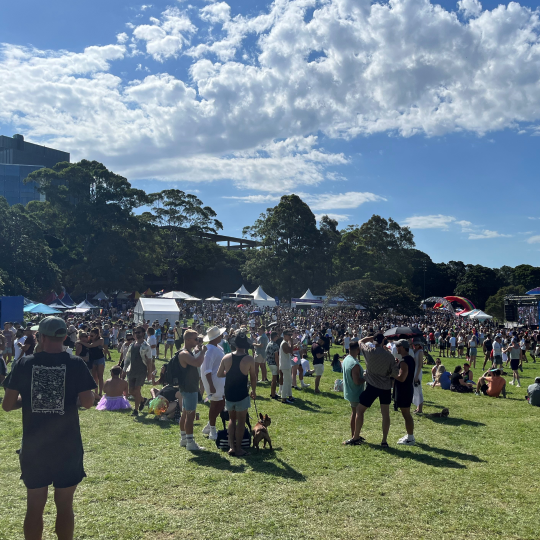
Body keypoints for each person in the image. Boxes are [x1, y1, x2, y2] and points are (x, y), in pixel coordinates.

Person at [2, 316, 96, 540]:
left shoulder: (25, 363)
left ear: (40, 337)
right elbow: (88, 402)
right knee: (65, 506)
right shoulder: (75, 363)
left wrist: (32, 399)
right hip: (68, 445)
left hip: (35, 447)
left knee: (34, 506)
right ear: (65, 336)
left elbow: (6, 405)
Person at [217, 330, 257, 457]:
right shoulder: (249, 359)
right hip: (242, 393)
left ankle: (231, 447)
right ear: (246, 345)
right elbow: (254, 377)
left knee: (231, 419)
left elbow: (219, 374)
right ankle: (238, 448)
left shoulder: (226, 357)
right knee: (241, 421)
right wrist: (254, 390)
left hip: (229, 392)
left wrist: (228, 373)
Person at [356, 334, 399, 447]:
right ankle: (384, 441)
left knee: (359, 411)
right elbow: (395, 373)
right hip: (385, 387)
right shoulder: (389, 356)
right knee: (385, 414)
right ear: (383, 341)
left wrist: (369, 338)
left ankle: (356, 436)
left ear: (374, 341)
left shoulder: (369, 351)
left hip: (372, 386)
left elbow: (360, 341)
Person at [178, 329, 206, 451]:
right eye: (195, 339)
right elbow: (196, 363)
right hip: (189, 388)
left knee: (185, 413)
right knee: (190, 415)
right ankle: (190, 442)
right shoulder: (184, 353)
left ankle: (184, 438)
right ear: (188, 340)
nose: (198, 341)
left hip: (187, 387)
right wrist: (203, 353)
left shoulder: (187, 352)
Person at [200, 326, 226, 441]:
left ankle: (210, 425)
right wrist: (211, 386)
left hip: (220, 379)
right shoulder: (209, 350)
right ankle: (212, 429)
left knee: (221, 403)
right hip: (214, 380)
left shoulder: (218, 347)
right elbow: (207, 369)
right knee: (216, 404)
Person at [123, 326, 153, 416]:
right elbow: (128, 358)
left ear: (143, 333)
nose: (137, 334)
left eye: (139, 332)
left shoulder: (146, 346)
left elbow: (149, 361)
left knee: (137, 390)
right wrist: (124, 370)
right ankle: (143, 400)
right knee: (131, 391)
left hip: (141, 371)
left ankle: (135, 410)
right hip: (132, 370)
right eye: (136, 332)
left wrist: (149, 373)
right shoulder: (132, 345)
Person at [342, 342, 366, 445]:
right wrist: (365, 377)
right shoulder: (354, 364)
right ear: (358, 350)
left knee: (354, 413)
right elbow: (357, 381)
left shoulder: (347, 359)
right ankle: (355, 436)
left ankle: (355, 434)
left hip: (349, 390)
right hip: (355, 392)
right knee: (357, 414)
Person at [393, 339, 416, 445]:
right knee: (406, 414)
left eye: (397, 346)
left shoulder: (404, 362)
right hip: (407, 389)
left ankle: (410, 438)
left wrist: (391, 373)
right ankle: (409, 435)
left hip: (404, 390)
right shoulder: (410, 359)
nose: (396, 348)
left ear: (402, 347)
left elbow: (401, 378)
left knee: (406, 414)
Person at [85, 328, 106, 397]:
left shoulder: (101, 340)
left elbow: (91, 346)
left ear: (97, 335)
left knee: (100, 376)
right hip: (93, 359)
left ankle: (100, 392)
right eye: (90, 335)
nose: (90, 337)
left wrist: (80, 342)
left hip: (100, 359)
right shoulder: (90, 339)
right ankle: (96, 393)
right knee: (94, 377)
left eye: (92, 336)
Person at [279, 330, 295, 403]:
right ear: (285, 335)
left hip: (287, 364)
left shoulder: (285, 343)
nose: (290, 336)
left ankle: (290, 396)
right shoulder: (284, 343)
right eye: (288, 335)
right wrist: (291, 342)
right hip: (285, 365)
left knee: (289, 381)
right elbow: (290, 351)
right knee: (286, 381)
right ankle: (283, 397)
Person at [266, 331, 280, 400]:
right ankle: (273, 394)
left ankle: (273, 392)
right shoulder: (275, 345)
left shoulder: (268, 344)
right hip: (274, 363)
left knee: (273, 379)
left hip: (269, 363)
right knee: (274, 380)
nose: (277, 337)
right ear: (274, 337)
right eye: (277, 336)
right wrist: (278, 366)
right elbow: (276, 357)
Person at [412, 339, 424, 414]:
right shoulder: (414, 351)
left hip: (417, 371)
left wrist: (416, 376)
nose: (416, 346)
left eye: (417, 345)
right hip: (413, 370)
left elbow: (420, 365)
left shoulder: (420, 352)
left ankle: (420, 408)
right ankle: (417, 407)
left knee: (418, 389)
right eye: (415, 344)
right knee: (415, 389)